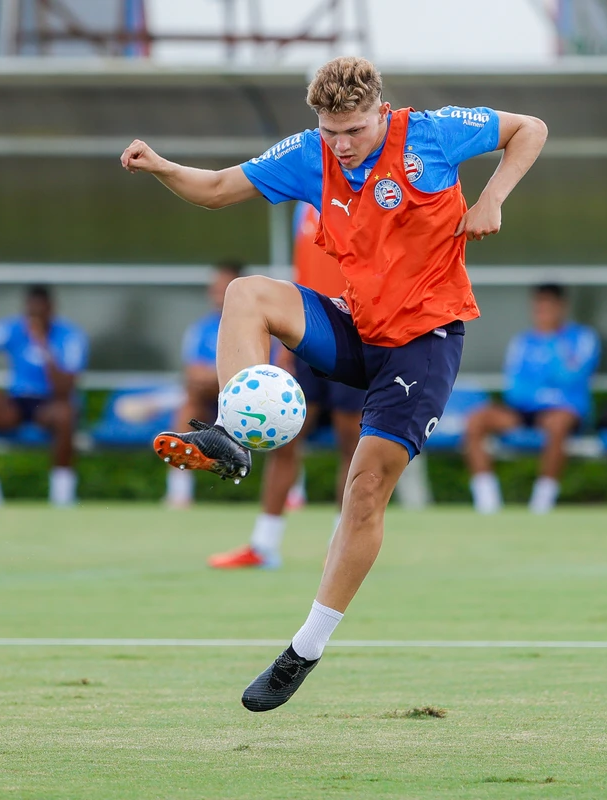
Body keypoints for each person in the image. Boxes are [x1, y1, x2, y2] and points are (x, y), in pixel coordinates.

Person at [122, 55, 547, 711]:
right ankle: (233, 432)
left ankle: (304, 651)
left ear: (380, 111)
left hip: (424, 343)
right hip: (356, 327)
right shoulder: (310, 153)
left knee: (365, 489)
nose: (342, 144)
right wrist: (161, 167)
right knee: (247, 293)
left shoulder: (432, 134)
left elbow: (532, 129)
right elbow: (214, 188)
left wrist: (491, 197)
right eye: (331, 130)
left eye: (354, 129)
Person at [208, 202, 365, 570]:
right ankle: (264, 545)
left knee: (353, 447)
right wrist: (288, 344)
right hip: (310, 340)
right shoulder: (304, 206)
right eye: (328, 138)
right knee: (282, 438)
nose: (336, 143)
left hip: (358, 336)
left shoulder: (368, 191)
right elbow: (303, 274)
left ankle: (339, 547)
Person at [464, 284, 599, 515]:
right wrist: (540, 394)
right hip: (524, 411)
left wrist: (552, 340)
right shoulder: (523, 342)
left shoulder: (582, 338)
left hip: (563, 411)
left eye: (548, 307)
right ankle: (487, 503)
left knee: (557, 423)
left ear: (561, 307)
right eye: (538, 307)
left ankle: (541, 504)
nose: (542, 313)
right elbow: (515, 388)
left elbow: (573, 376)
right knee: (476, 420)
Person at [0, 284, 88, 507]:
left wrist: (43, 344)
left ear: (51, 310)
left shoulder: (70, 337)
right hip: (19, 401)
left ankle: (63, 495)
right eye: (30, 312)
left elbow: (65, 388)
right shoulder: (12, 329)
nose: (34, 318)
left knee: (65, 414)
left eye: (39, 312)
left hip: (50, 404)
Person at [164, 261, 244, 509]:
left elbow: (255, 375)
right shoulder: (201, 329)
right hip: (210, 403)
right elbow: (193, 373)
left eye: (223, 287)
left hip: (248, 406)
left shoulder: (257, 326)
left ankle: (294, 493)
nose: (216, 292)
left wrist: (218, 377)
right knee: (188, 408)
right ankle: (179, 493)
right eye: (215, 287)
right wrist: (221, 377)